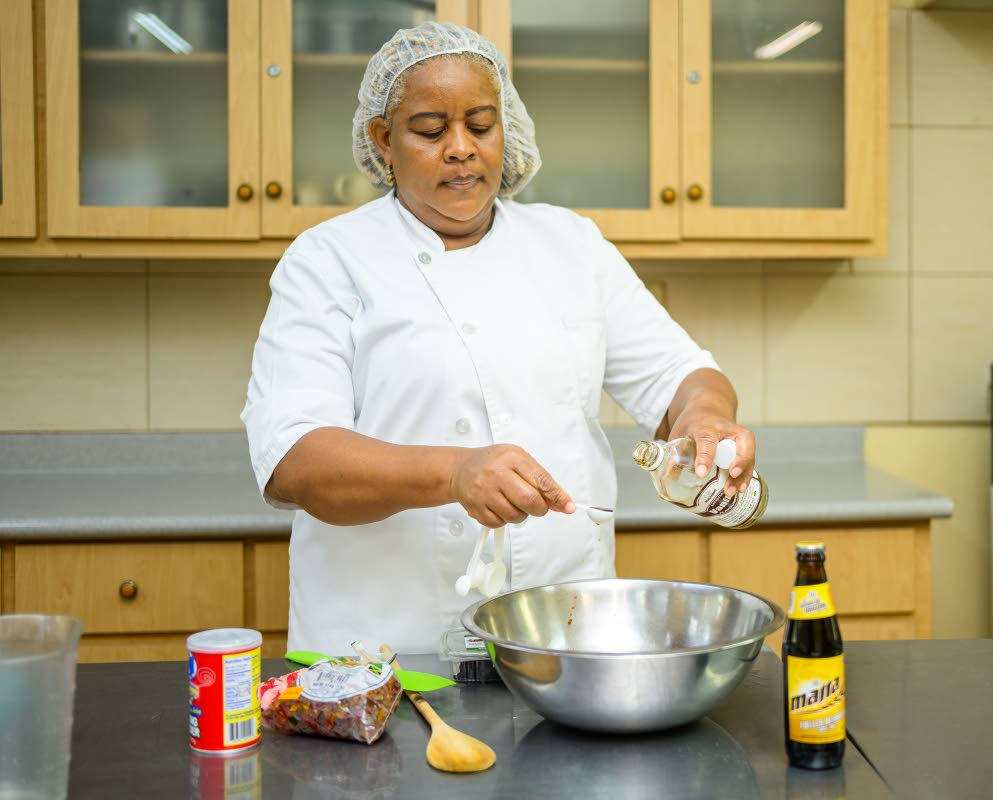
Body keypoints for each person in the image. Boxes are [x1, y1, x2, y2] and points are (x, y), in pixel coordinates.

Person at [242, 22, 757, 654]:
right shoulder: (329, 260)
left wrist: (705, 417)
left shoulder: (570, 245)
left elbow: (682, 375)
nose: (460, 148)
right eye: (431, 130)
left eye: (480, 125)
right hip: (386, 656)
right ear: (383, 140)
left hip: (564, 642)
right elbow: (296, 461)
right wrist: (455, 473)